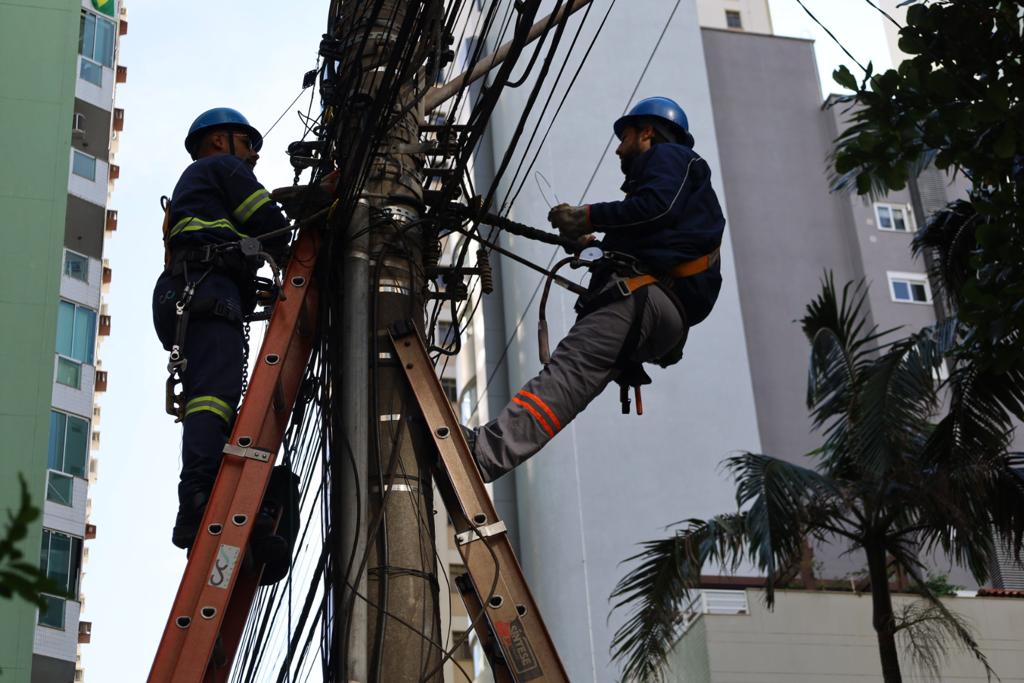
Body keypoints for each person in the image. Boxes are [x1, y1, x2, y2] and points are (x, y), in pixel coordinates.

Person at [469, 96, 725, 482]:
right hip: (660, 314)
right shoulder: (678, 194)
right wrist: (594, 243)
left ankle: (481, 453)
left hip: (643, 298)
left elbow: (656, 208)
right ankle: (487, 456)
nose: (619, 148)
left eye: (624, 138)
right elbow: (655, 228)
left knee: (567, 375)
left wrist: (585, 215)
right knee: (571, 388)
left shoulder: (670, 158)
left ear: (647, 132)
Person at [152, 108, 293, 563]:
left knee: (218, 403)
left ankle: (237, 513)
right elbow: (270, 223)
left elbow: (237, 243)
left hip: (194, 294)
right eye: (246, 142)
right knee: (214, 397)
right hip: (203, 293)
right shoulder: (219, 167)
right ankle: (197, 497)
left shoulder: (199, 190)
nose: (253, 154)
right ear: (217, 141)